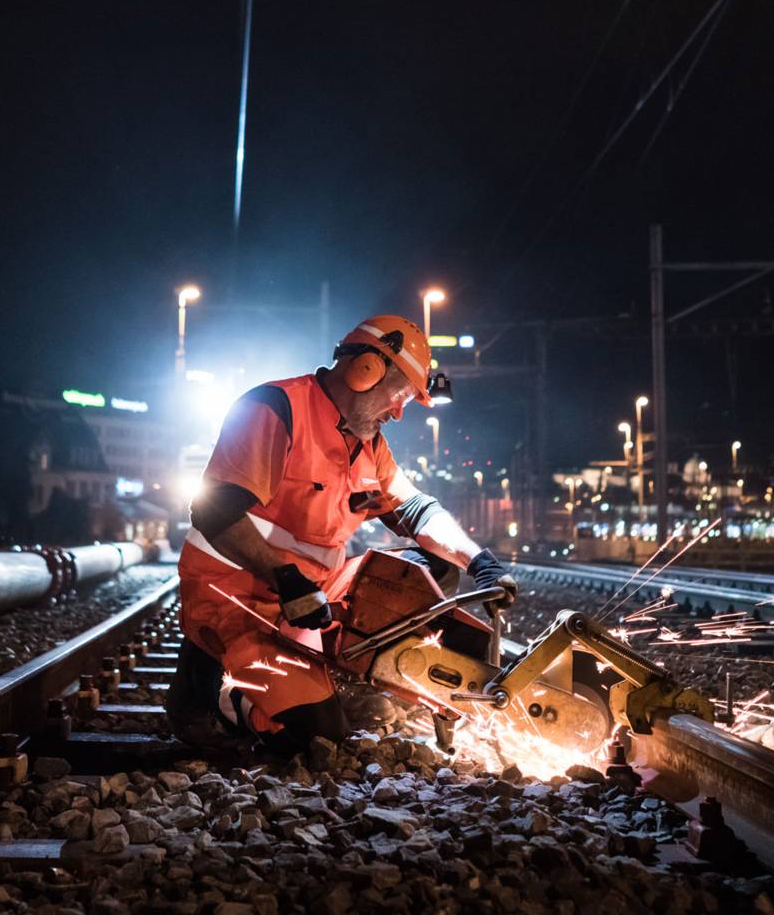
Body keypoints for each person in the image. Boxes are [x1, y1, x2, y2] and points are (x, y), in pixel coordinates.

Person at [166, 314, 517, 756]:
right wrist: (287, 581)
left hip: (312, 598)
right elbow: (213, 510)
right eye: (400, 396)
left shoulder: (368, 444)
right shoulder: (276, 409)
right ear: (364, 370)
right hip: (238, 601)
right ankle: (215, 689)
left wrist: (480, 563)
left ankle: (335, 676)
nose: (398, 411)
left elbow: (417, 511)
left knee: (432, 572)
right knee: (316, 738)